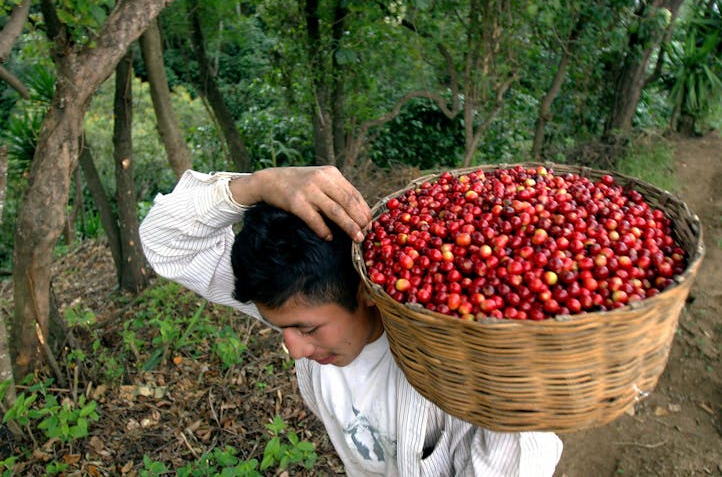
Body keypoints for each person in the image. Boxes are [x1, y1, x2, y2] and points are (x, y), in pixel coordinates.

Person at [139, 166, 563, 476]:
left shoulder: (452, 360)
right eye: (282, 328)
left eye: (306, 330)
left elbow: (520, 456)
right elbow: (166, 244)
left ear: (365, 292)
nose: (293, 348)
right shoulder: (299, 297)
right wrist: (260, 184)